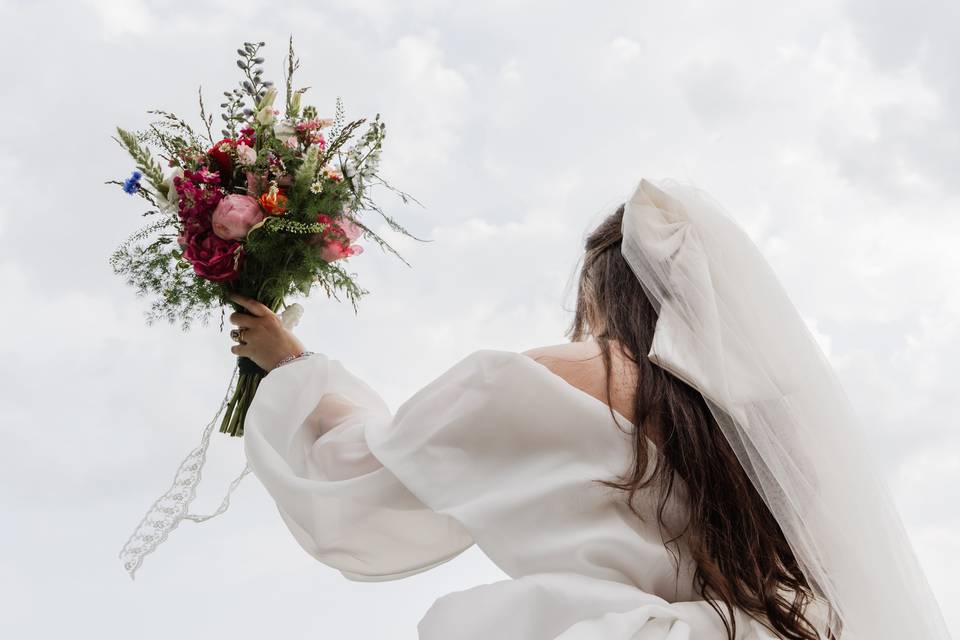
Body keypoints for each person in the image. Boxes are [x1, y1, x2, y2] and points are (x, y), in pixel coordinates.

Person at [231, 178, 952, 640]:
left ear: (601, 293)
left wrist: (290, 364)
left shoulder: (560, 375)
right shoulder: (766, 424)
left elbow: (366, 467)